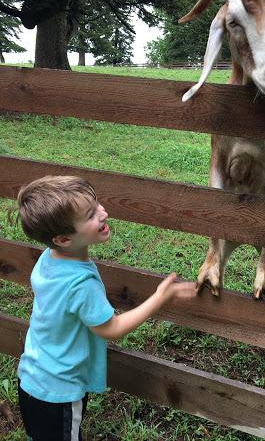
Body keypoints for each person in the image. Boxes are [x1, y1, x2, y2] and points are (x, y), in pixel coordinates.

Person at [8, 175, 196, 441]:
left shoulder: (48, 258)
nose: (103, 213)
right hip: (59, 391)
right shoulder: (80, 283)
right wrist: (160, 297)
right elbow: (113, 328)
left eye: (97, 204)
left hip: (32, 377)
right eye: (90, 215)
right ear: (63, 239)